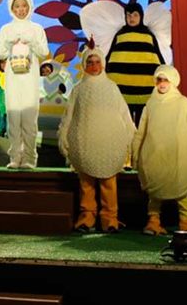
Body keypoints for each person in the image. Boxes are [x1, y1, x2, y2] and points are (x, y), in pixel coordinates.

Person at [58, 44, 136, 232]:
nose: (94, 66)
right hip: (85, 141)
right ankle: (87, 217)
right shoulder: (78, 89)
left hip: (108, 141)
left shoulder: (112, 88)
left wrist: (131, 135)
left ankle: (110, 218)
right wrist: (64, 135)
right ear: (84, 65)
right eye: (90, 62)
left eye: (97, 62)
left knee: (108, 182)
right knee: (86, 182)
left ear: (103, 64)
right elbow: (69, 115)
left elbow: (123, 113)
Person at [132, 65, 187, 235]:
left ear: (173, 81)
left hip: (177, 155)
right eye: (159, 80)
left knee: (181, 189)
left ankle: (186, 220)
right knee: (155, 189)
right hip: (155, 154)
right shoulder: (150, 104)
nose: (162, 83)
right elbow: (141, 131)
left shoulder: (183, 103)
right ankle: (153, 220)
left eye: (166, 79)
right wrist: (135, 155)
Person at [0, 0, 49, 169]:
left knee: (30, 120)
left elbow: (44, 51)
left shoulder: (37, 29)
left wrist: (31, 41)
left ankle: (30, 159)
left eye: (24, 5)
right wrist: (8, 42)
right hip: (13, 80)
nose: (21, 9)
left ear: (29, 6)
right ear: (11, 8)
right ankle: (15, 157)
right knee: (13, 118)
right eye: (17, 6)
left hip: (30, 81)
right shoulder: (6, 29)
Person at [105, 1, 164, 126]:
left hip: (144, 88)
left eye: (135, 15)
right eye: (128, 15)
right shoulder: (120, 34)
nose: (131, 18)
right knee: (125, 123)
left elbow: (157, 54)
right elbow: (110, 55)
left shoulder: (148, 35)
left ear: (141, 16)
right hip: (123, 88)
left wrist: (163, 72)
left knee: (142, 122)